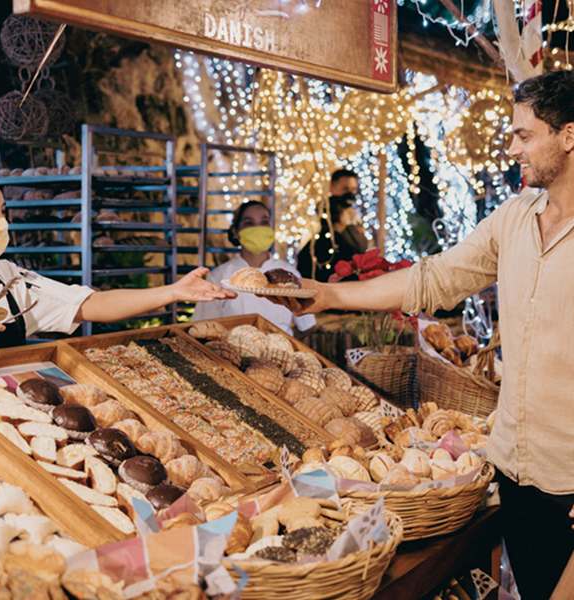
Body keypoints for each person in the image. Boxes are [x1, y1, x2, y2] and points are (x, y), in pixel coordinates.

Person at [271, 71, 574, 599]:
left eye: (524, 135)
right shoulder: (513, 218)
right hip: (514, 472)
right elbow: (433, 278)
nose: (511, 148)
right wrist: (330, 294)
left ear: (569, 136)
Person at [0, 170, 234, 349]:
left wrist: (173, 292)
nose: (0, 222)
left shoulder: (8, 278)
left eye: (2, 212)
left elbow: (93, 304)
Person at [192, 200, 316, 336]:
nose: (258, 228)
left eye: (264, 222)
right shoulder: (219, 276)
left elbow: (307, 325)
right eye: (249, 223)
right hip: (235, 352)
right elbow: (204, 325)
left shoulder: (289, 273)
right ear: (235, 232)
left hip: (282, 351)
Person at [297, 169, 369, 281]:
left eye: (353, 189)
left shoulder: (354, 214)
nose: (349, 194)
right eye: (345, 189)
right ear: (332, 187)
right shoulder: (323, 211)